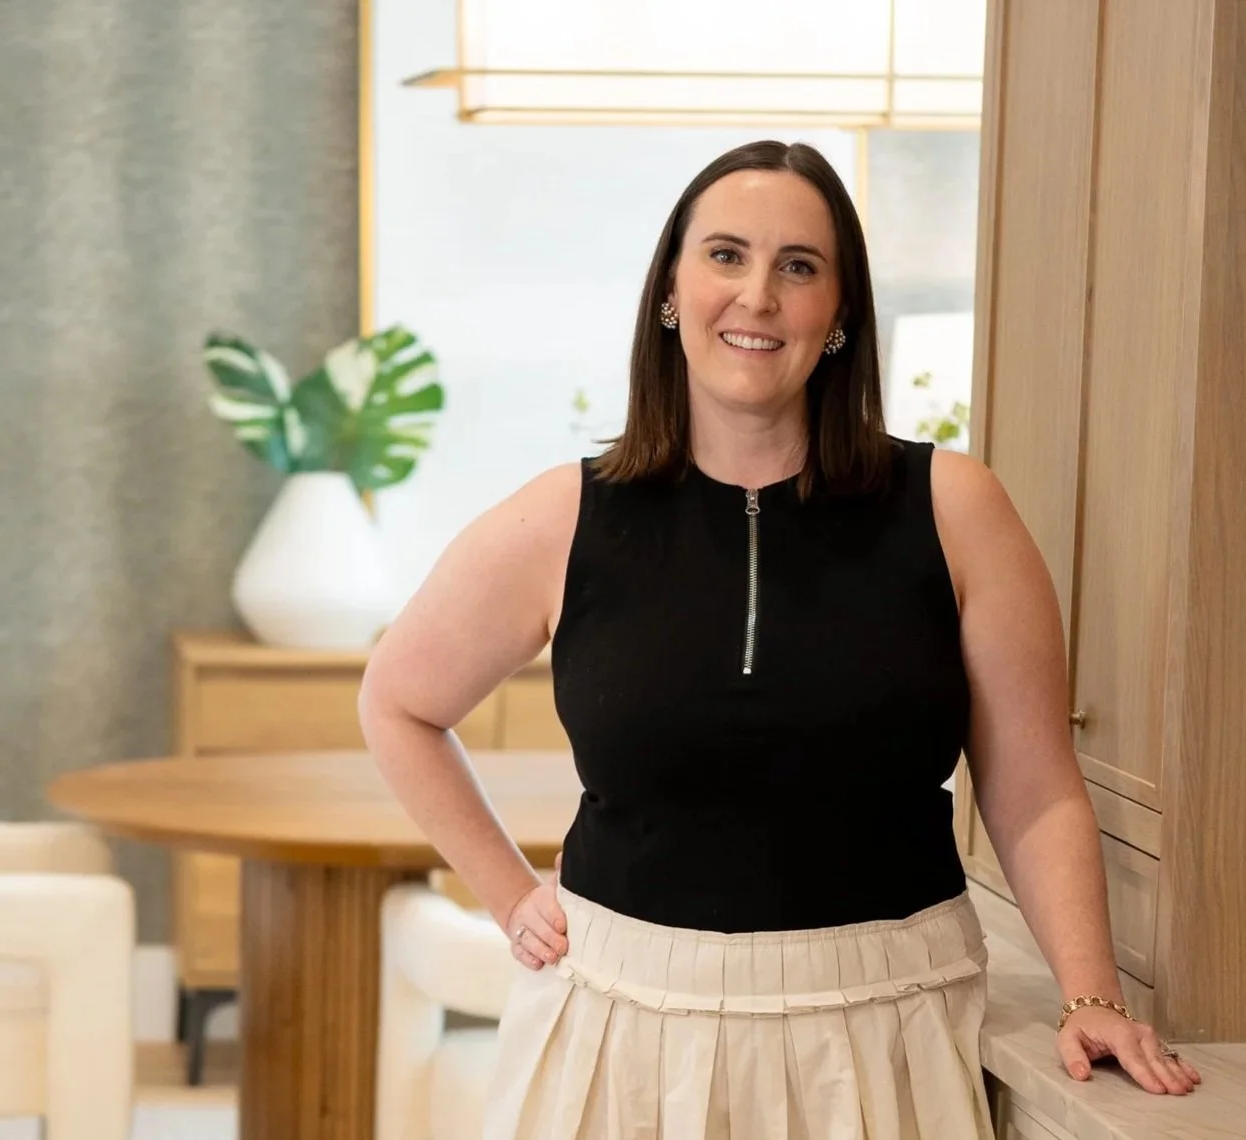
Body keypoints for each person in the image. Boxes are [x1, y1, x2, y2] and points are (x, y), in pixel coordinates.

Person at [359, 139, 1199, 1139]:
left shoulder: (955, 510)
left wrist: (1090, 994)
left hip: (889, 1024)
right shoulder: (564, 519)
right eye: (723, 256)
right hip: (620, 1031)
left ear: (836, 317)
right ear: (669, 292)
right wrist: (505, 893)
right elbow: (398, 702)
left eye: (797, 267)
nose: (756, 295)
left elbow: (1032, 783)